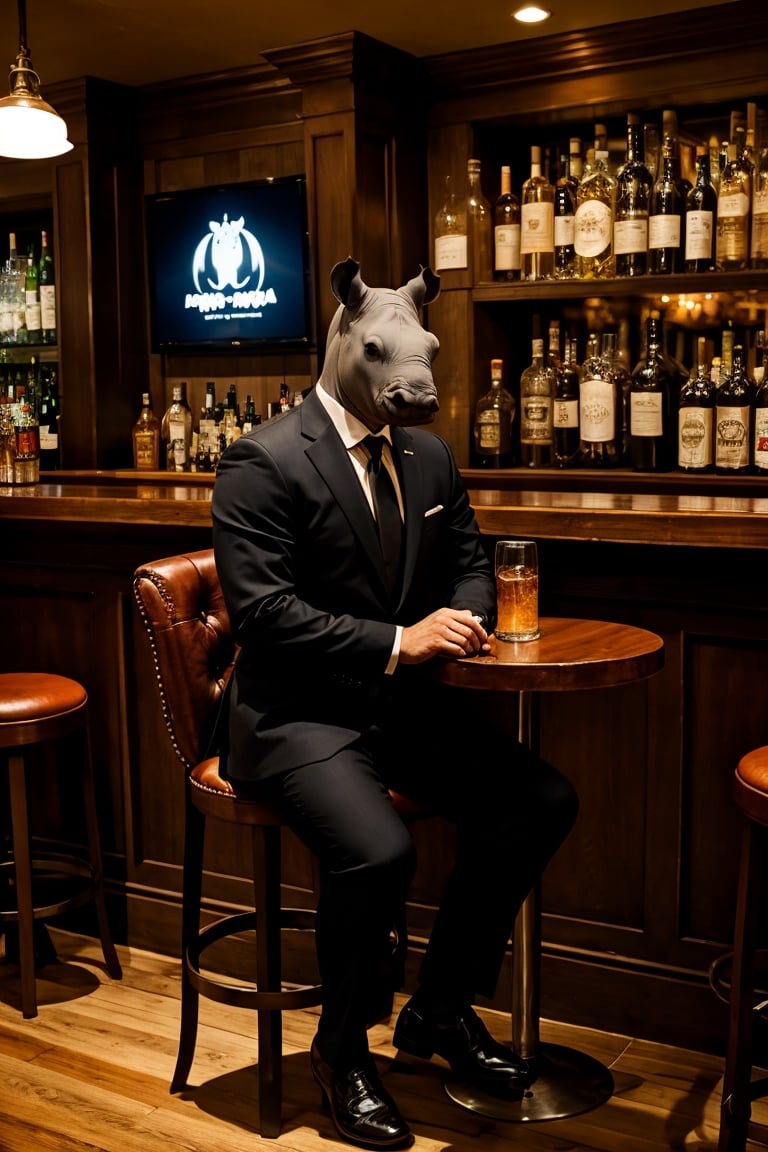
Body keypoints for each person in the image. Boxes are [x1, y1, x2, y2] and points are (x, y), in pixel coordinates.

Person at [211, 259, 578, 1150]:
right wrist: (395, 642)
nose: (409, 383)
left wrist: (466, 618)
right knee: (380, 853)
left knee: (540, 801)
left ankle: (439, 1014)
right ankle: (342, 1053)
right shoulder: (262, 458)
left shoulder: (428, 452)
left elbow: (469, 560)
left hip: (397, 710)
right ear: (348, 343)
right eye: (384, 358)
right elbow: (263, 613)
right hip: (295, 714)